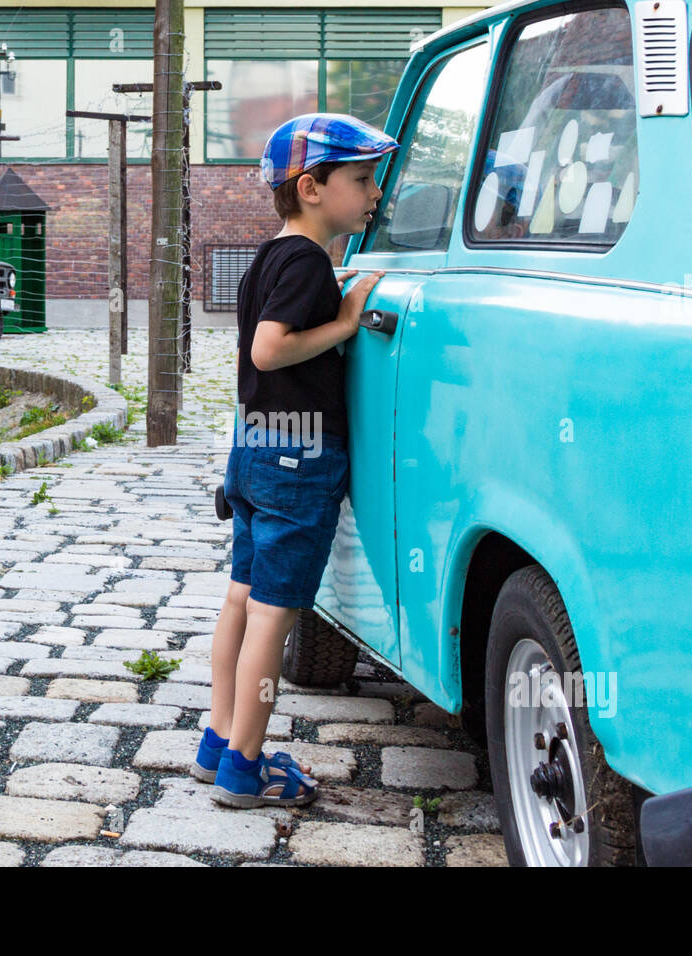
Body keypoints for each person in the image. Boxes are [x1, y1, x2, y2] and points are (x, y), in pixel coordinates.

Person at [188, 113, 397, 808]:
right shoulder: (309, 264)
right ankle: (246, 768)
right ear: (311, 187)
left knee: (242, 601)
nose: (374, 193)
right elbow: (269, 350)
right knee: (274, 618)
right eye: (362, 179)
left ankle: (218, 741)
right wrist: (343, 322)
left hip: (256, 446)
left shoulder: (271, 255)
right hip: (297, 456)